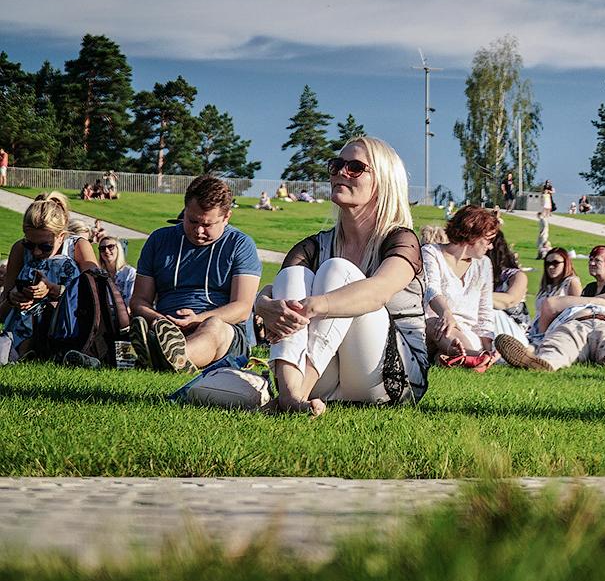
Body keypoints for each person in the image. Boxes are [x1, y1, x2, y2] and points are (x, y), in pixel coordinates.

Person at [256, 138, 428, 414]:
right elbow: (280, 287)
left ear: (383, 181)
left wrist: (314, 305)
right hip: (328, 372)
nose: (340, 173)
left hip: (388, 374)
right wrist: (263, 305)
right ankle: (290, 395)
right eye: (335, 165)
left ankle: (294, 393)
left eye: (356, 167)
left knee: (338, 270)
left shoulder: (401, 240)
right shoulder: (314, 245)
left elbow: (378, 291)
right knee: (294, 275)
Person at [129, 175, 262, 373]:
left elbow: (242, 308)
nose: (198, 230)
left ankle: (166, 356)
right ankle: (164, 349)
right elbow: (139, 301)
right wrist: (159, 320)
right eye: (191, 221)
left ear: (226, 217)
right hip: (166, 325)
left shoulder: (240, 245)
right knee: (144, 323)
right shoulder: (159, 240)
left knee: (214, 327)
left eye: (208, 225)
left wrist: (197, 319)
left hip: (224, 330)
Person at [0, 192, 99, 360]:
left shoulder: (78, 247)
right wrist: (12, 298)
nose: (36, 252)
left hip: (69, 326)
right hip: (24, 331)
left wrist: (55, 290)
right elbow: (2, 313)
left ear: (61, 236)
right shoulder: (19, 250)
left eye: (45, 246)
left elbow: (94, 299)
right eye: (29, 244)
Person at [422, 205, 503, 365]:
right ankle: (473, 357)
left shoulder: (484, 264)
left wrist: (488, 345)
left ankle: (456, 357)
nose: (491, 246)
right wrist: (446, 313)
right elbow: (432, 289)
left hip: (468, 333)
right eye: (488, 240)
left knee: (447, 347)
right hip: (436, 323)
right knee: (440, 325)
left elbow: (484, 309)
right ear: (472, 236)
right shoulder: (431, 253)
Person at [489, 231, 530, 340]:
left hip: (512, 332)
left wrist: (472, 295)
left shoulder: (515, 276)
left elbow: (510, 300)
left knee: (492, 312)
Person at [533, 247, 582, 329]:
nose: (551, 267)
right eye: (548, 263)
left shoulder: (571, 282)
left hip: (558, 331)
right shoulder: (547, 286)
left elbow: (578, 310)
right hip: (536, 330)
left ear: (566, 263)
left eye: (556, 263)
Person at [97, 237, 137, 308]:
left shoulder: (130, 273)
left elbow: (131, 299)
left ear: (118, 249)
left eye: (110, 247)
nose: (106, 250)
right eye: (102, 248)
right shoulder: (98, 274)